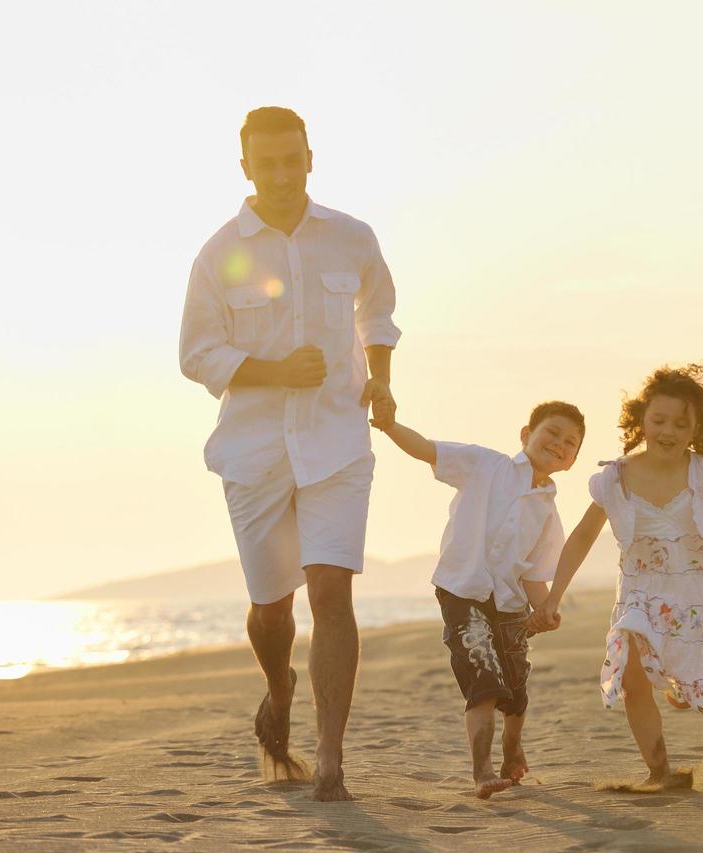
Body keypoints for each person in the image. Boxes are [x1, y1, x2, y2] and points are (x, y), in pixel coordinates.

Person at [179, 107, 400, 802]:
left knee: (333, 592)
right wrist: (275, 371)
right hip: (255, 450)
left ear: (310, 158)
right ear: (245, 167)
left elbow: (380, 313)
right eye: (265, 162)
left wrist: (382, 383)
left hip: (338, 440)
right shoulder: (219, 254)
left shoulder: (351, 237)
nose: (280, 173)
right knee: (273, 609)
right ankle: (279, 689)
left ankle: (331, 760)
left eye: (291, 159)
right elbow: (195, 353)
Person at [533, 365, 703, 790]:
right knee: (631, 673)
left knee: (698, 675)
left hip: (697, 592)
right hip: (641, 593)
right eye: (659, 420)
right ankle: (660, 770)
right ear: (640, 420)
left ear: (698, 428)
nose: (668, 431)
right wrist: (553, 598)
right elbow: (583, 537)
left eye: (682, 424)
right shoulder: (616, 479)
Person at [376, 402, 584, 798]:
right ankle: (482, 770)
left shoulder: (549, 513)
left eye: (569, 442)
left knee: (516, 688)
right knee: (484, 678)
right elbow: (427, 449)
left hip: (509, 605)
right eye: (552, 432)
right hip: (462, 591)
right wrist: (389, 425)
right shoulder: (484, 465)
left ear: (572, 461)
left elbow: (533, 576)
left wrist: (545, 611)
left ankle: (512, 747)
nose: (558, 444)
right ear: (526, 434)